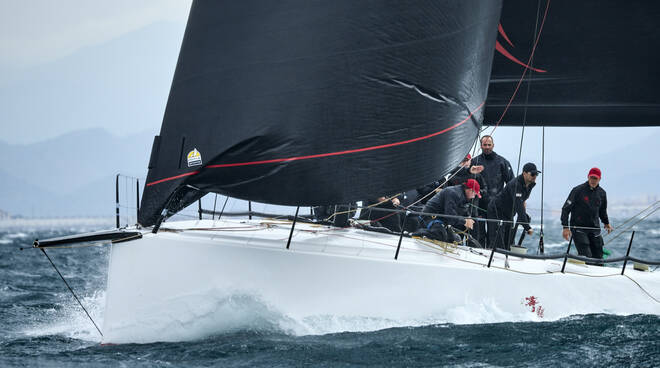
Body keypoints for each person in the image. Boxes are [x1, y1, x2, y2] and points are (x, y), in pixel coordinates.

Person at [560, 167, 613, 264]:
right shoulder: (577, 190)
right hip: (579, 229)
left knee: (599, 260)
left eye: (595, 178)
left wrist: (606, 223)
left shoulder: (602, 193)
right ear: (588, 177)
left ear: (599, 179)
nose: (593, 180)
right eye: (591, 178)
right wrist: (565, 227)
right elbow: (565, 209)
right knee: (587, 258)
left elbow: (602, 211)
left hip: (595, 230)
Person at [470, 135, 514, 245]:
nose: (487, 147)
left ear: (493, 145)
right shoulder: (475, 161)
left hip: (496, 205)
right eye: (485, 145)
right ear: (481, 146)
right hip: (478, 204)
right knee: (478, 235)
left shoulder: (502, 162)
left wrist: (516, 201)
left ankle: (493, 256)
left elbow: (511, 184)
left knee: (493, 236)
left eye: (489, 145)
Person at [487, 162, 538, 250]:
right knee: (498, 241)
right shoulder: (515, 184)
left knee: (508, 242)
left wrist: (524, 215)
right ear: (524, 173)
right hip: (496, 211)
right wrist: (527, 227)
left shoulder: (531, 184)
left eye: (536, 174)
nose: (535, 176)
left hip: (509, 213)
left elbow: (522, 202)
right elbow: (519, 206)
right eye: (532, 174)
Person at [414, 179, 481, 243]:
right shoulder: (453, 193)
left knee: (455, 239)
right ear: (470, 190)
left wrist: (468, 219)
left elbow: (462, 213)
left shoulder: (463, 197)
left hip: (441, 220)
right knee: (440, 234)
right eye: (475, 194)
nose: (474, 197)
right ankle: (416, 234)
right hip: (429, 217)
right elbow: (450, 215)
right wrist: (464, 221)